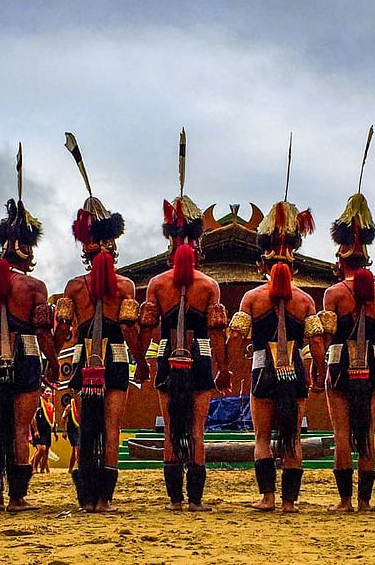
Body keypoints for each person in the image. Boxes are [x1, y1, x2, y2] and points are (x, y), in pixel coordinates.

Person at [55, 137, 149, 512]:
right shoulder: (124, 286)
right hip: (114, 358)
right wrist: (141, 359)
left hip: (81, 360)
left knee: (86, 429)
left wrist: (53, 362)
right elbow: (129, 330)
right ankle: (103, 500)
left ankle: (85, 498)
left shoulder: (73, 288)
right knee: (111, 428)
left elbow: (63, 331)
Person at [137, 138, 228, 512]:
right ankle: (192, 500)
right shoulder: (210, 286)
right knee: (196, 430)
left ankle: (176, 501)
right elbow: (218, 334)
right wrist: (222, 367)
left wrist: (142, 359)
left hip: (165, 357)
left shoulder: (157, 284)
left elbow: (145, 329)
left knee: (174, 430)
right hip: (201, 358)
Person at [0, 154, 59, 511]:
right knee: (20, 430)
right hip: (26, 357)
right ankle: (17, 497)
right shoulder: (34, 287)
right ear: (28, 249)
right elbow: (43, 331)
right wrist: (53, 362)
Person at [226, 197, 325, 513]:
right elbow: (317, 342)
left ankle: (268, 497)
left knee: (262, 438)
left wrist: (227, 364)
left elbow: (235, 336)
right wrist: (319, 368)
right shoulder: (306, 301)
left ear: (261, 265)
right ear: (294, 266)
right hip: (294, 372)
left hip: (260, 371)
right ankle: (289, 502)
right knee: (292, 437)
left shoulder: (251, 299)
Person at [321, 159, 375, 512]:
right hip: (369, 365)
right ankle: (365, 502)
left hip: (340, 366)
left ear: (342, 255)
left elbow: (323, 338)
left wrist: (316, 368)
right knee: (365, 434)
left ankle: (345, 501)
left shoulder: (334, 293)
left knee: (343, 435)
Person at [30, 388, 55, 475]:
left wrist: (54, 432)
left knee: (46, 450)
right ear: (42, 393)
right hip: (38, 429)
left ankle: (42, 470)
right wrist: (35, 430)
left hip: (47, 430)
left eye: (50, 392)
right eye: (47, 391)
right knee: (41, 449)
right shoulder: (38, 402)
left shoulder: (51, 405)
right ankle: (34, 467)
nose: (49, 393)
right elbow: (32, 417)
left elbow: (53, 420)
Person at [60, 393, 80, 473]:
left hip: (79, 428)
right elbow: (63, 418)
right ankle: (80, 467)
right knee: (77, 447)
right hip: (72, 429)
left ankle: (70, 468)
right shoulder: (69, 406)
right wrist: (64, 431)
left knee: (75, 449)